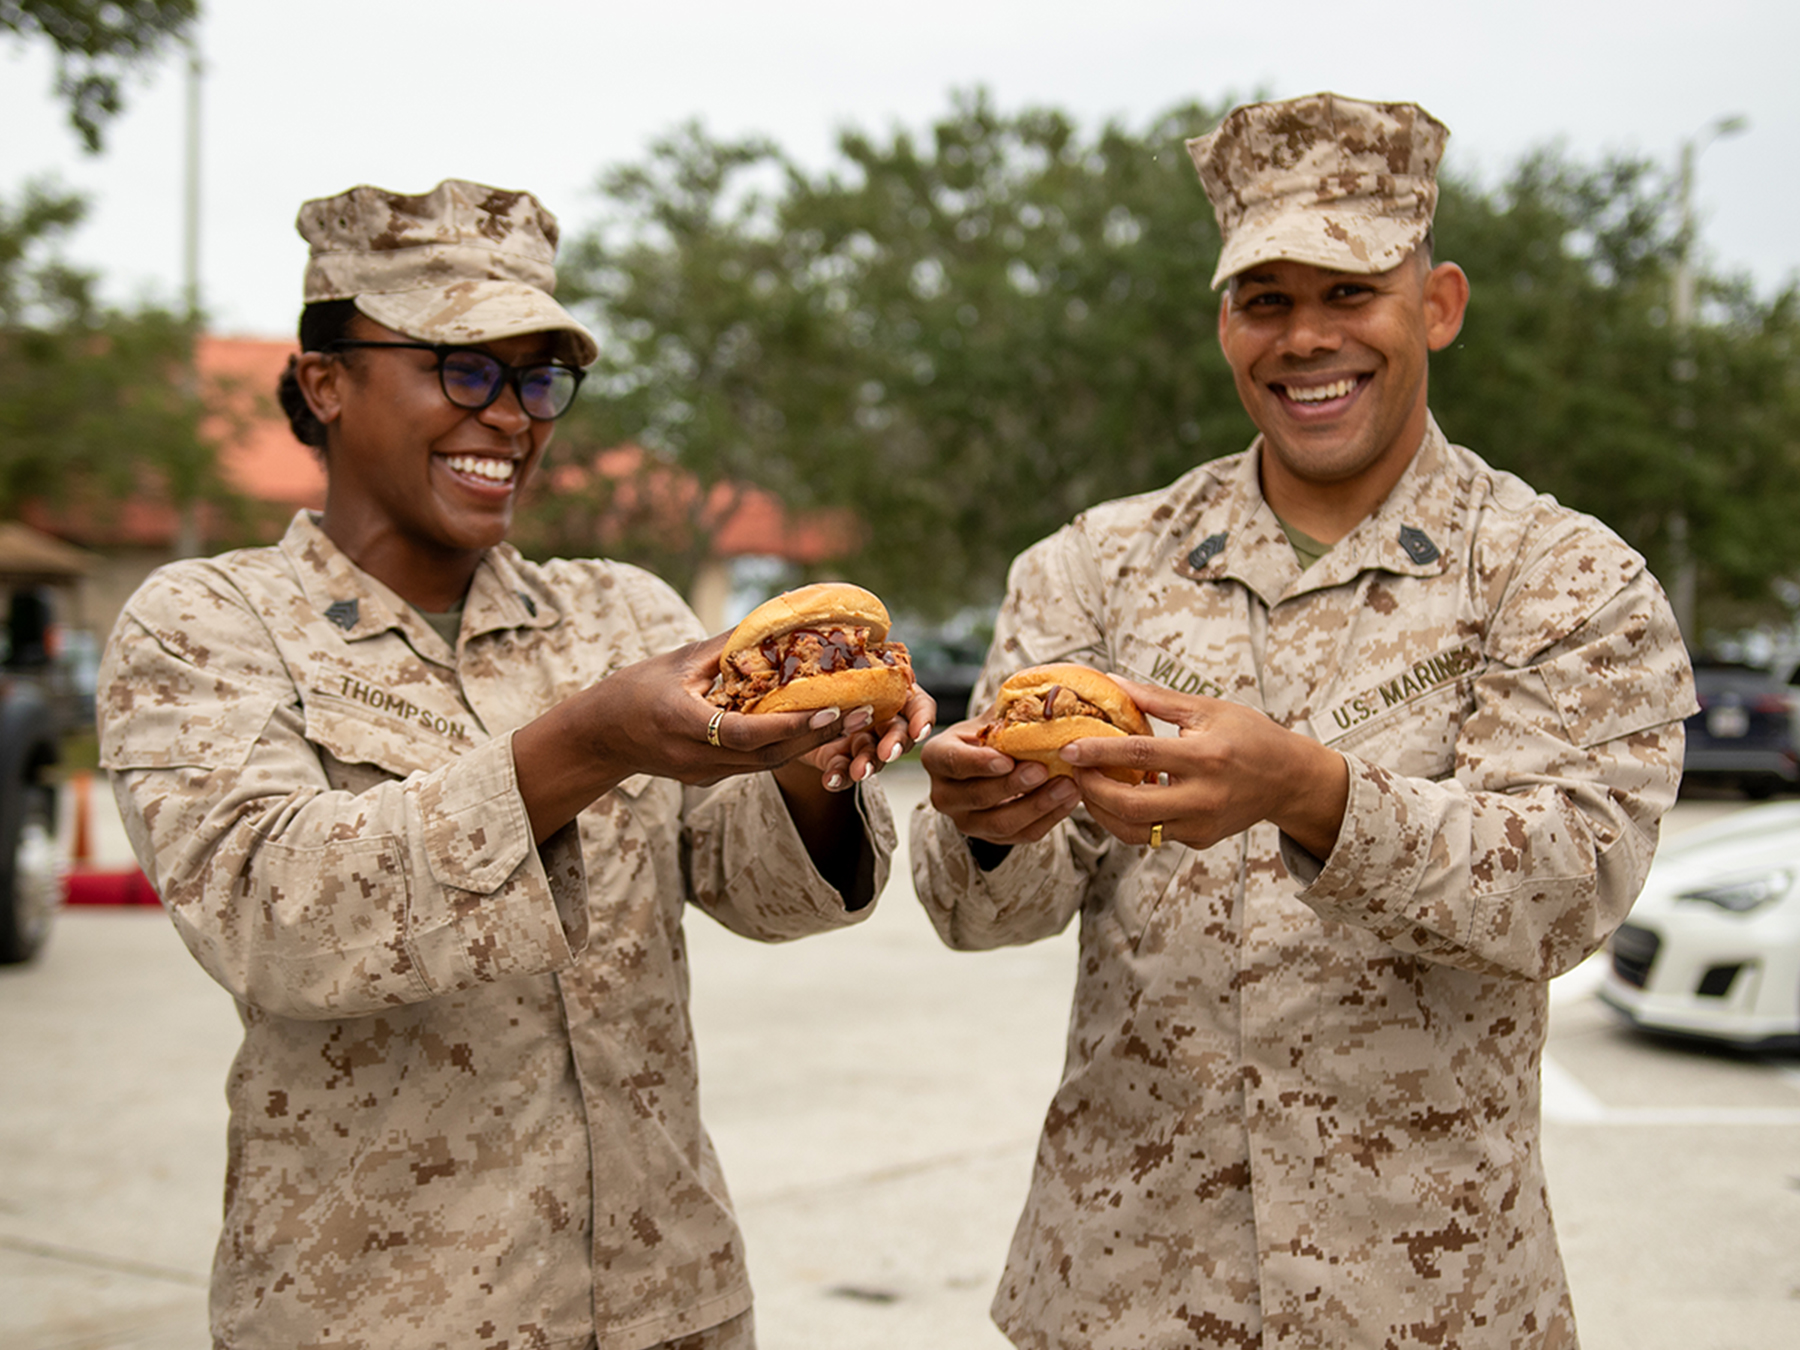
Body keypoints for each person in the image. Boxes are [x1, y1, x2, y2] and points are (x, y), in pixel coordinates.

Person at [910, 93, 1695, 1349]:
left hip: (1429, 1303)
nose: (1305, 338)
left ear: (1435, 304)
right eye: (1264, 299)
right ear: (1224, 323)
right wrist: (987, 827)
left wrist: (1312, 794)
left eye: (1348, 292)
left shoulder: (1557, 576)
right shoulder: (1095, 568)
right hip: (1122, 1291)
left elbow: (1565, 889)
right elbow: (981, 912)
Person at [97, 179, 931, 1350]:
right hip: (379, 1315)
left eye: (539, 378)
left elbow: (763, 888)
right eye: (462, 364)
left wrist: (809, 758)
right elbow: (270, 917)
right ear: (327, 380)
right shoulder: (208, 621)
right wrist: (582, 746)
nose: (511, 415)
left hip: (669, 1303)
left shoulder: (621, 612)